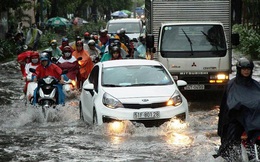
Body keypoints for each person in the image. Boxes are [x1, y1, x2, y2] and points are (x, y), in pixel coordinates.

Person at [215, 57, 260, 161]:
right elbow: (227, 105)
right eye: (244, 69)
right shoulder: (231, 85)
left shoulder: (256, 85)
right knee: (231, 137)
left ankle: (254, 153)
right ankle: (232, 157)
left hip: (252, 119)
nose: (246, 71)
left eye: (248, 69)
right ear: (239, 70)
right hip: (235, 119)